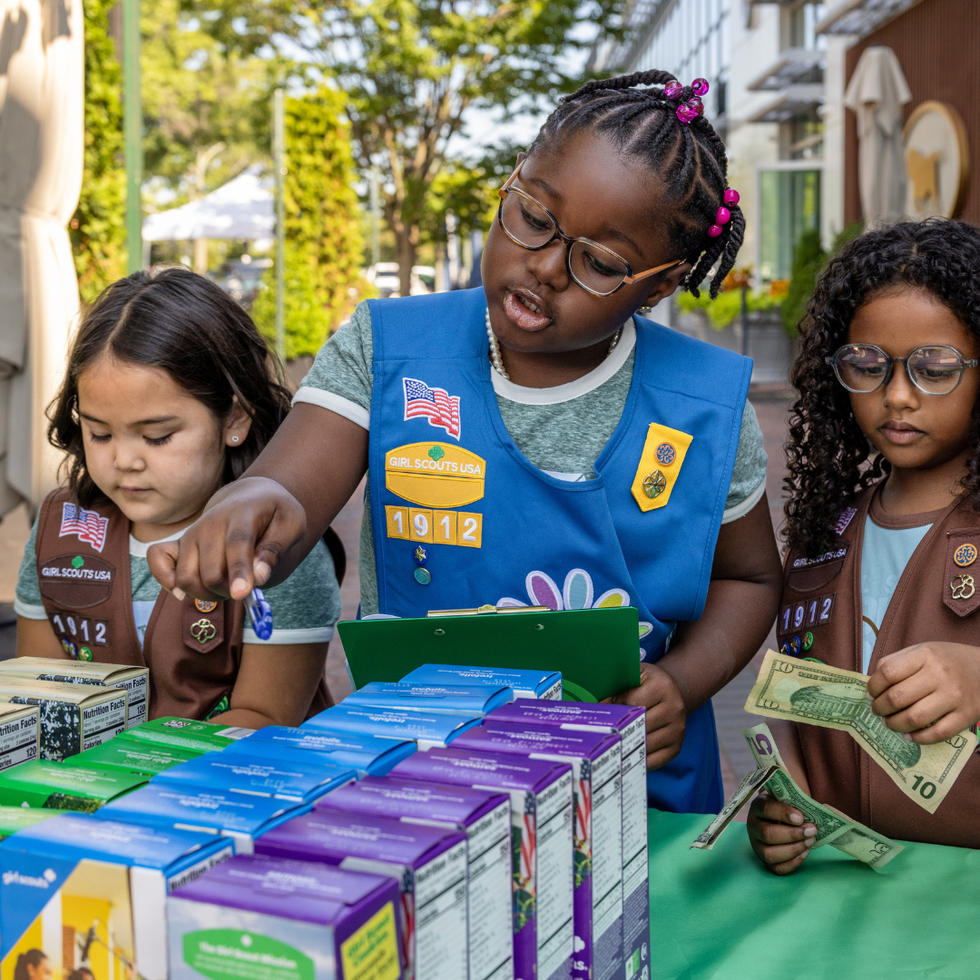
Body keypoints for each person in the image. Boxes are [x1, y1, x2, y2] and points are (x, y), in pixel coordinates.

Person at [149, 70, 782, 814]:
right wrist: (250, 504)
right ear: (511, 182)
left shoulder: (705, 405)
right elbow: (291, 491)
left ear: (661, 284)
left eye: (602, 264)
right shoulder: (387, 347)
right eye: (534, 217)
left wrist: (685, 682)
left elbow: (750, 580)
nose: (545, 266)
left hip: (634, 803)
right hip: (423, 793)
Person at [749, 219, 980, 871]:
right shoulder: (824, 532)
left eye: (935, 368)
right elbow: (800, 719)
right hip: (844, 901)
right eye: (867, 366)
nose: (898, 395)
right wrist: (781, 812)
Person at [14, 267, 341, 727]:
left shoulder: (276, 546)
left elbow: (263, 718)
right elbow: (39, 691)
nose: (125, 460)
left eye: (158, 436)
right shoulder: (58, 527)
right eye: (100, 433)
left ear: (235, 419)